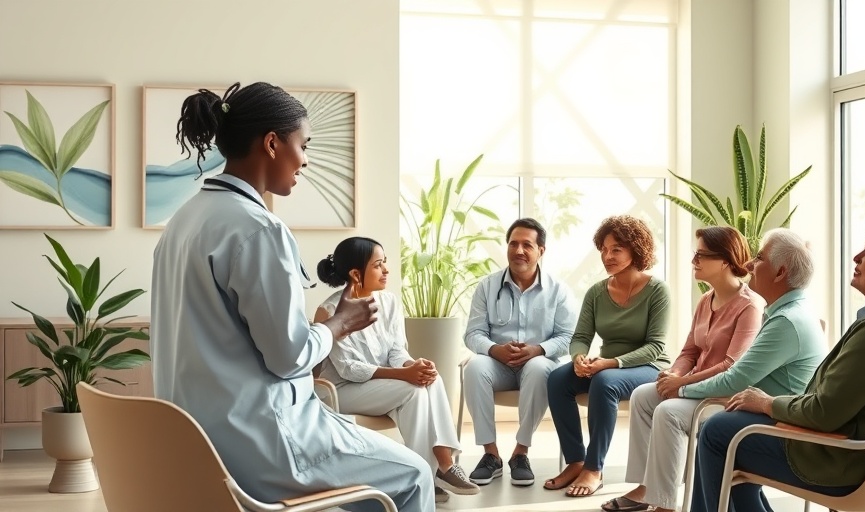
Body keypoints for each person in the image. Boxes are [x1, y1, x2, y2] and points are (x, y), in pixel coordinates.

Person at [151, 82, 432, 512]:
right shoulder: (259, 230)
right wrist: (337, 324)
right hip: (264, 443)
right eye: (303, 144)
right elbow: (289, 356)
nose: (304, 160)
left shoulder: (183, 221)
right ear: (271, 143)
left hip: (195, 444)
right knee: (413, 476)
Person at [690, 217, 865, 512]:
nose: (856, 257)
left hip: (842, 463)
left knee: (717, 431)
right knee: (735, 429)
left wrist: (767, 403)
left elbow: (822, 413)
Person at [606, 228, 825, 512]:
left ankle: (665, 503)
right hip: (749, 402)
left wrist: (681, 386)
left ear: (780, 272)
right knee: (644, 396)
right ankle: (650, 487)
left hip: (763, 413)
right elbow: (691, 351)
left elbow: (735, 374)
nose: (749, 265)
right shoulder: (778, 312)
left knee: (678, 416)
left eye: (759, 258)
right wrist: (675, 376)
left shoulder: (778, 318)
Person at [314, 237, 479, 504]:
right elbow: (348, 369)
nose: (386, 270)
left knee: (430, 380)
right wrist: (403, 375)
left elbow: (396, 351)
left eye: (385, 263)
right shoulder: (329, 310)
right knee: (412, 389)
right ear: (356, 274)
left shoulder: (388, 301)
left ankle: (434, 470)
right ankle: (437, 469)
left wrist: (412, 366)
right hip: (341, 391)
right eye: (378, 265)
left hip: (378, 387)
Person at [543, 215, 672, 498]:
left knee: (605, 382)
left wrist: (610, 364)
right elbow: (580, 338)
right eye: (603, 248)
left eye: (616, 249)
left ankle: (594, 468)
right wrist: (579, 358)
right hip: (604, 367)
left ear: (635, 250)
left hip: (649, 366)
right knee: (557, 380)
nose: (607, 255)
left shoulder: (657, 291)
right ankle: (575, 460)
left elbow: (656, 346)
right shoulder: (596, 293)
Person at [462, 218, 578, 487]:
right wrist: (494, 349)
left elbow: (569, 337)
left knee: (540, 368)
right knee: (475, 367)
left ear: (541, 251)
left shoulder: (558, 291)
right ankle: (490, 455)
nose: (519, 251)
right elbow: (472, 333)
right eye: (513, 244)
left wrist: (538, 349)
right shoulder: (487, 287)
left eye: (527, 244)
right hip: (497, 366)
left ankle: (520, 453)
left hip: (536, 366)